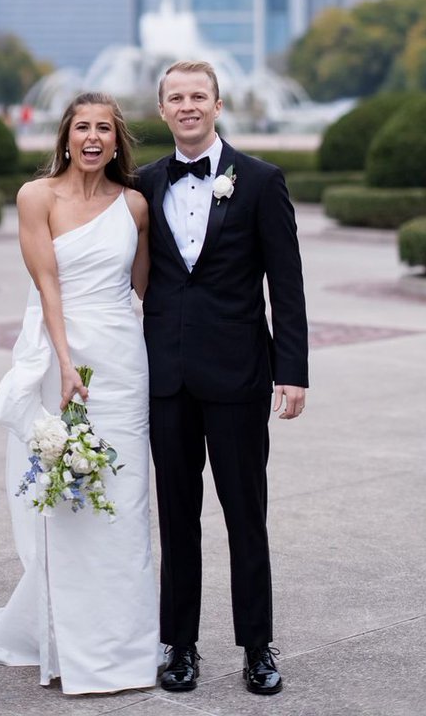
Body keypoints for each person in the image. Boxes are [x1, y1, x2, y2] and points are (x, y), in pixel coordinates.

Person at [0, 92, 160, 695]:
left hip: (125, 360)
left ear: (118, 139)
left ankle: (129, 649)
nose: (94, 137)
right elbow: (47, 285)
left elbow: (145, 291)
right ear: (66, 136)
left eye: (105, 128)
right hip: (64, 356)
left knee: (126, 499)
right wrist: (67, 363)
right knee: (71, 497)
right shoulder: (36, 197)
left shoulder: (134, 206)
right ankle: (72, 647)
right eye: (83, 127)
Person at [135, 60, 309, 696]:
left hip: (238, 375)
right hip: (166, 379)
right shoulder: (143, 185)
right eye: (176, 97)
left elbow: (286, 286)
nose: (187, 106)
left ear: (217, 104)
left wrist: (292, 371)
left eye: (198, 96)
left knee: (246, 515)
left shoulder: (261, 181)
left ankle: (258, 647)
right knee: (177, 519)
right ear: (162, 109)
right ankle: (180, 646)